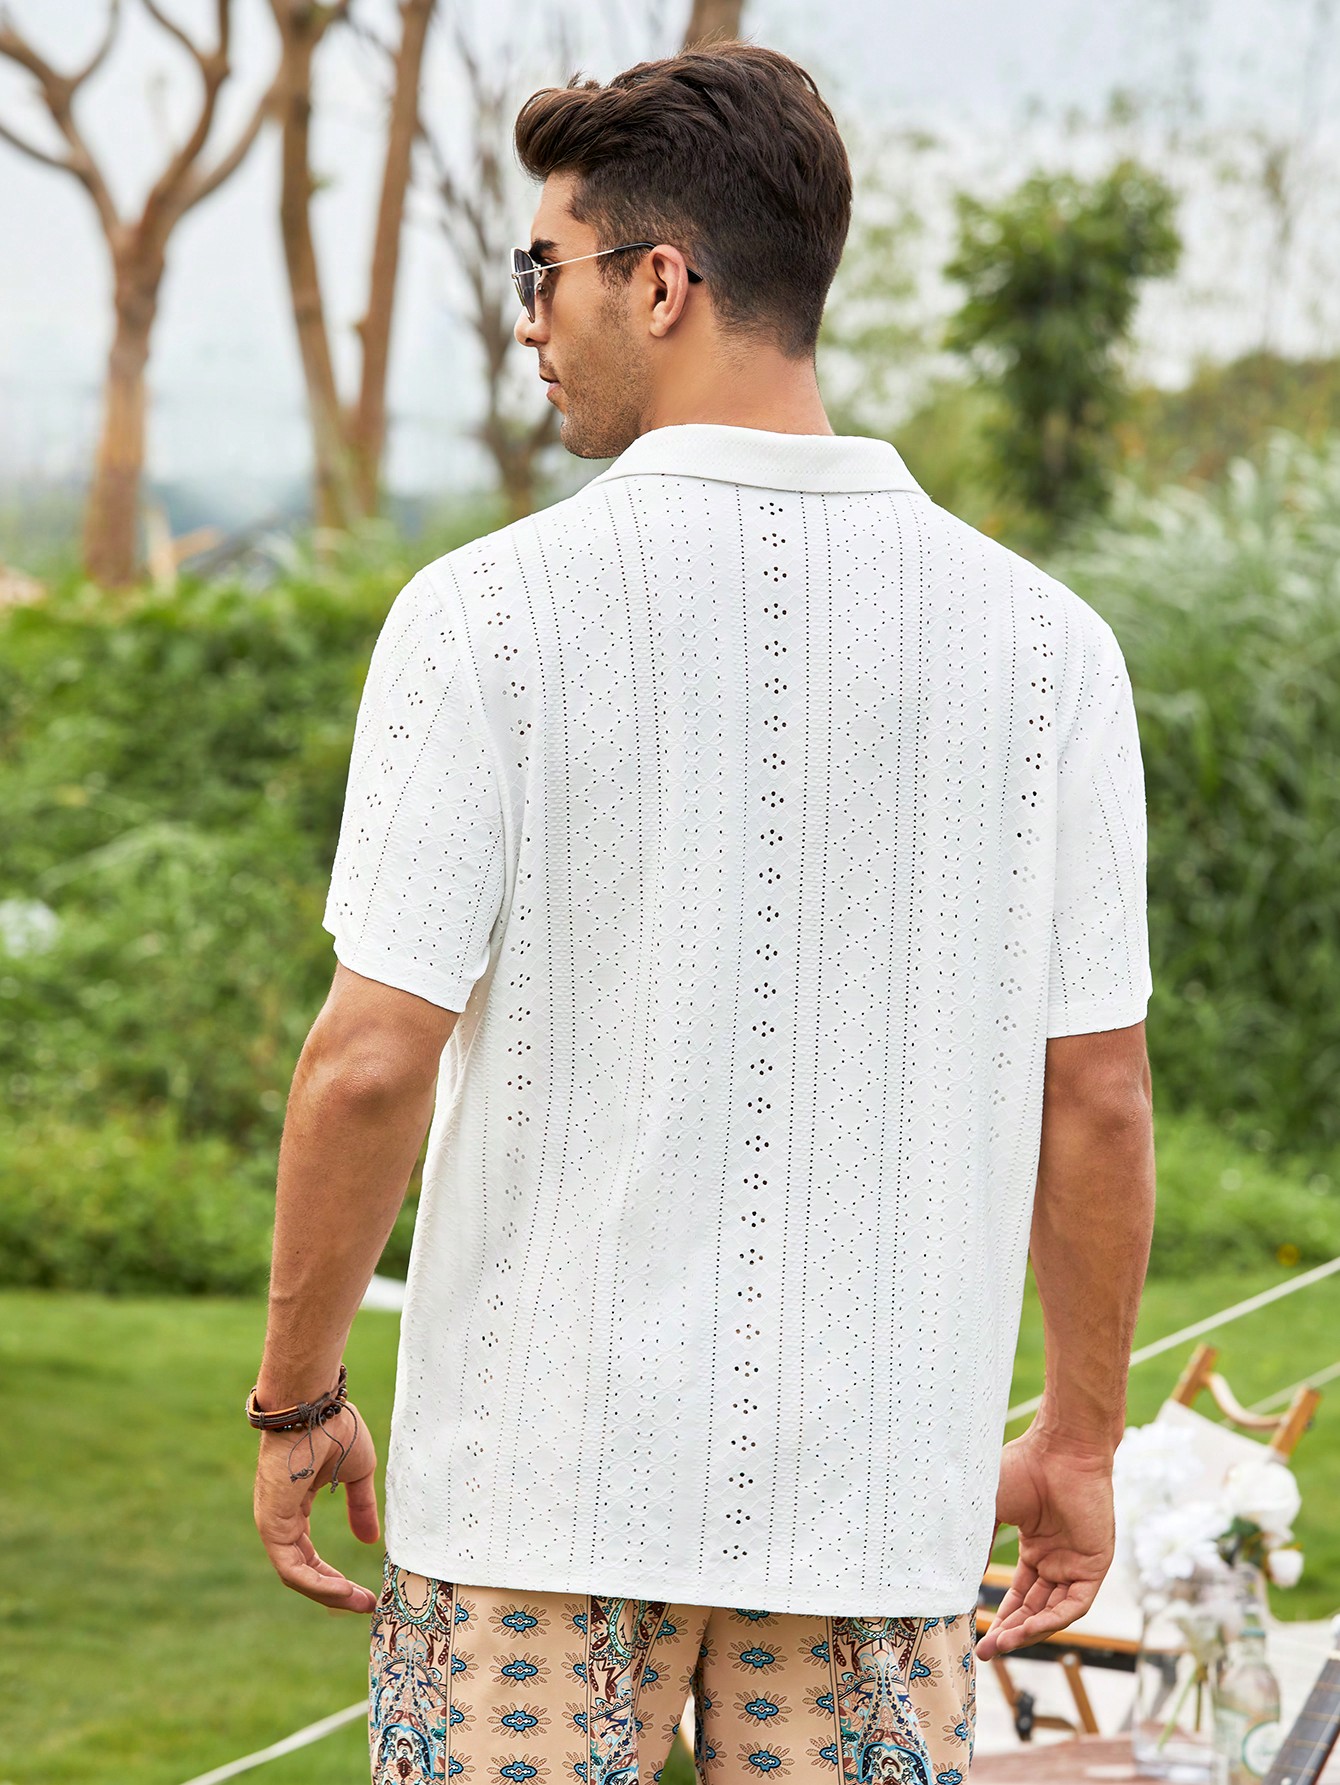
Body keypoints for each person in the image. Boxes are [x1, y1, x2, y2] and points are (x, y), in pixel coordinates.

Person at [249, 39, 1157, 1785]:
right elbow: (1098, 1093)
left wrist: (299, 1397)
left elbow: (367, 1062)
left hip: (528, 1493)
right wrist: (1082, 1436)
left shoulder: (484, 614)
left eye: (543, 270)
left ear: (660, 283)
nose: (529, 319)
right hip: (876, 1507)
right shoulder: (1050, 647)